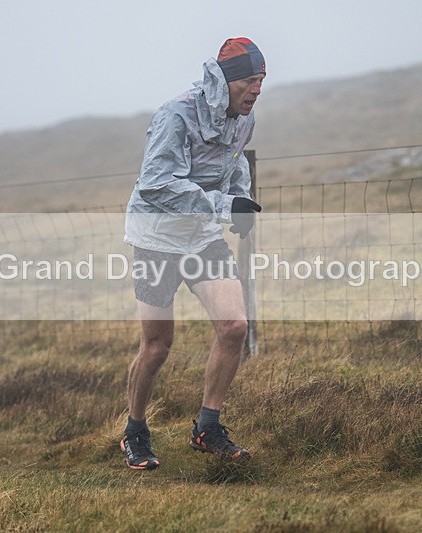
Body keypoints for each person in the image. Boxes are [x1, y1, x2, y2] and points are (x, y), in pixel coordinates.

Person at [120, 37, 265, 470]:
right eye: (249, 81)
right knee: (158, 345)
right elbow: (156, 185)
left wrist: (241, 202)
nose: (256, 90)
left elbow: (235, 164)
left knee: (234, 326)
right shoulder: (176, 114)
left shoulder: (244, 118)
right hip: (157, 238)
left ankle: (207, 428)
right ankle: (135, 432)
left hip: (200, 237)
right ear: (224, 81)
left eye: (262, 81)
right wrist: (223, 206)